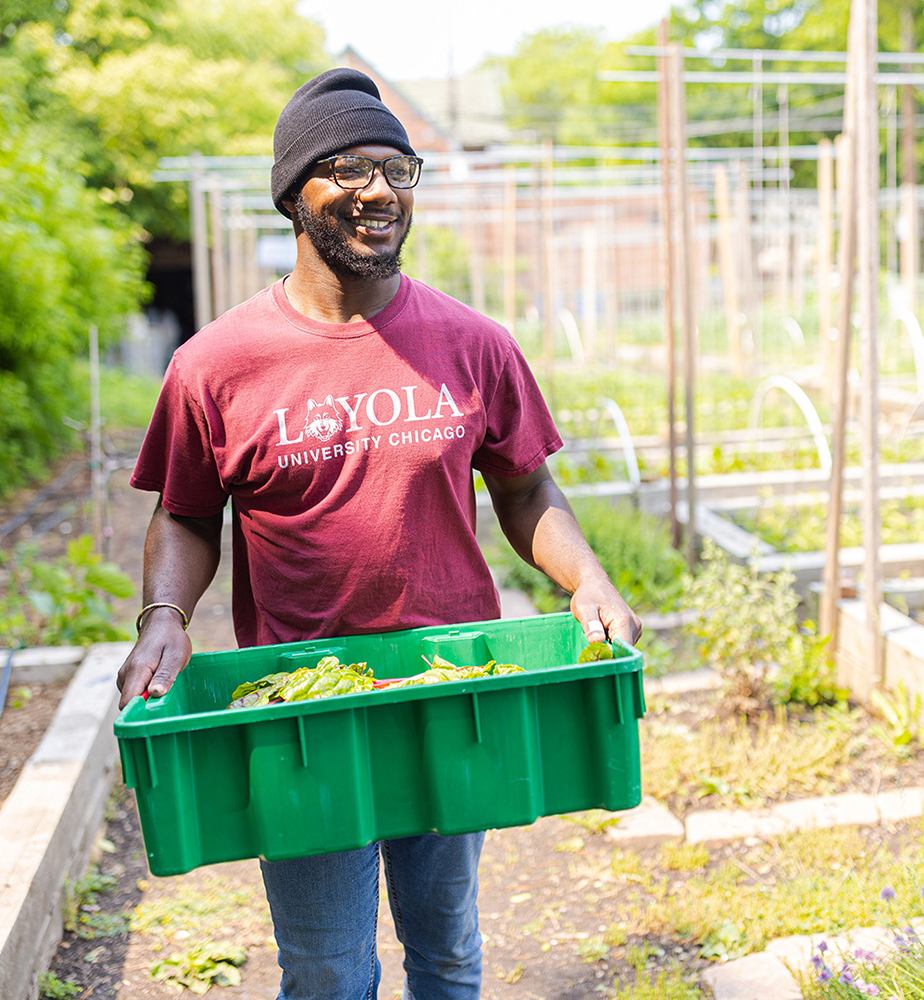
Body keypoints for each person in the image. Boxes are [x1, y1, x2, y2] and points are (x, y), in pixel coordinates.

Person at [116, 67, 641, 1000]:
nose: (381, 193)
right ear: (294, 194)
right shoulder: (216, 366)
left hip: (450, 690)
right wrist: (165, 613)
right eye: (350, 167)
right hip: (301, 706)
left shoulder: (472, 341)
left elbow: (525, 489)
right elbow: (187, 511)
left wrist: (586, 580)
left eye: (400, 170)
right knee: (326, 970)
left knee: (447, 949)